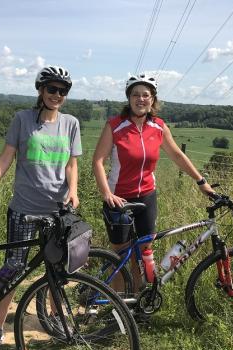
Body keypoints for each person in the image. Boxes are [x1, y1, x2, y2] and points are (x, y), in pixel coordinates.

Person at [0, 65, 82, 349]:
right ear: (41, 90)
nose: (57, 95)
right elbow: (5, 158)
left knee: (56, 268)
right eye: (52, 89)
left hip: (57, 211)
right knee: (14, 268)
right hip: (24, 208)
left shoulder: (71, 123)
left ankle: (54, 319)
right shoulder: (23, 119)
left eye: (62, 91)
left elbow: (71, 164)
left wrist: (74, 191)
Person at [92, 73, 213, 292]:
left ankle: (138, 299)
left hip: (147, 197)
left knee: (144, 252)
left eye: (145, 95)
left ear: (152, 99)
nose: (140, 99)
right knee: (120, 253)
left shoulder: (158, 126)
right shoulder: (115, 126)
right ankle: (116, 303)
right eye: (135, 95)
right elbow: (97, 161)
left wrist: (201, 181)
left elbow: (177, 156)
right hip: (119, 198)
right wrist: (106, 194)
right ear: (129, 99)